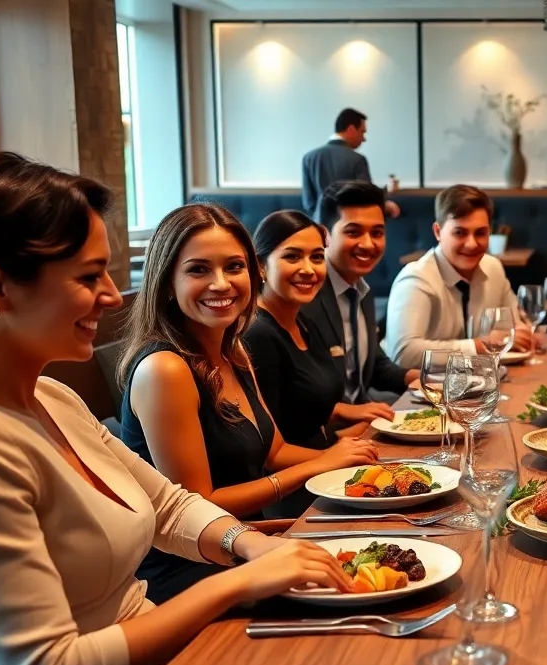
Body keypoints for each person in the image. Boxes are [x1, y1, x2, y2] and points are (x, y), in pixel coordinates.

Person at [0, 150, 352, 665]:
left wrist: (247, 546)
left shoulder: (51, 396)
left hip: (167, 658)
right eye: (89, 277)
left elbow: (168, 504)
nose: (112, 296)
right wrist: (238, 583)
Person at [118, 203, 379, 597]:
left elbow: (275, 450)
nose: (221, 283)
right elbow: (197, 506)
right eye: (198, 270)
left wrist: (346, 455)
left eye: (234, 267)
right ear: (167, 282)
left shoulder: (233, 350)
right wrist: (321, 463)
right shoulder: (164, 370)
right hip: (192, 572)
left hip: (251, 544)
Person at [246, 210, 397, 517]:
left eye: (316, 257)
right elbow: (268, 453)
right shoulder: (258, 335)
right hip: (291, 494)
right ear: (260, 265)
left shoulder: (303, 322)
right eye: (292, 257)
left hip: (325, 467)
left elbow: (302, 410)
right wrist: (331, 454)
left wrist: (350, 428)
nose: (308, 269)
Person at [383, 184, 531, 369]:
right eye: (460, 233)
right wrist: (478, 346)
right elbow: (404, 354)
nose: (472, 244)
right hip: (418, 385)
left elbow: (515, 325)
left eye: (480, 233)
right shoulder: (415, 280)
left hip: (481, 380)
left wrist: (523, 334)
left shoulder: (493, 268)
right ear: (438, 232)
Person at [300, 180, 418, 402]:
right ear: (324, 235)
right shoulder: (306, 294)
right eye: (353, 232)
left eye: (377, 233)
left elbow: (373, 365)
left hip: (363, 410)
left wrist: (419, 378)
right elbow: (298, 394)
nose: (368, 244)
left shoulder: (360, 289)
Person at [301, 107, 371, 226]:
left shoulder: (308, 158)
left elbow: (308, 202)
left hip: (319, 228)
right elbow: (366, 199)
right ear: (351, 129)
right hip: (349, 227)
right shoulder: (358, 160)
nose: (364, 139)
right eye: (362, 132)